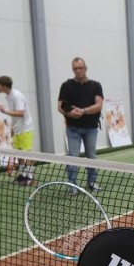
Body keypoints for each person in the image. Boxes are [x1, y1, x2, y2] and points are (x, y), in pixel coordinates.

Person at [57, 57, 103, 192]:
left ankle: (92, 182)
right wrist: (70, 113)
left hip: (91, 128)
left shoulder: (95, 85)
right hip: (73, 129)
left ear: (85, 68)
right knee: (73, 157)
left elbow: (98, 105)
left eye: (80, 68)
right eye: (75, 68)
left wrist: (83, 111)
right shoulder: (66, 86)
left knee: (91, 156)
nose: (78, 70)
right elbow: (60, 107)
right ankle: (73, 185)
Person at [0, 76, 35, 185]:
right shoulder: (8, 96)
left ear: (3, 86)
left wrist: (5, 111)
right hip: (17, 129)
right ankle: (22, 175)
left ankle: (30, 177)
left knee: (27, 153)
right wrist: (12, 127)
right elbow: (15, 114)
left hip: (26, 128)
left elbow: (20, 112)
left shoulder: (17, 96)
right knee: (19, 153)